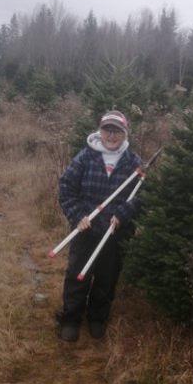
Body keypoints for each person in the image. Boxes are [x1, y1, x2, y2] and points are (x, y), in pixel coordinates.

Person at [56, 110, 141, 341]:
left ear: (125, 134)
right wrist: (78, 216)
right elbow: (66, 189)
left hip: (115, 232)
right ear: (100, 131)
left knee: (107, 277)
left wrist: (123, 215)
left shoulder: (133, 162)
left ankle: (97, 318)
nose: (111, 135)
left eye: (117, 131)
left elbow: (139, 196)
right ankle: (71, 319)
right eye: (107, 130)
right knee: (77, 275)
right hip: (86, 228)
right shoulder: (85, 157)